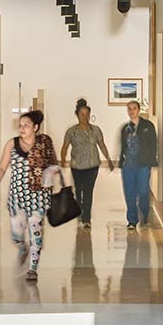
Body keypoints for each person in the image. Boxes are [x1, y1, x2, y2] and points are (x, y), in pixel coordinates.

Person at [0, 109, 57, 282]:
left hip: (38, 197)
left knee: (36, 234)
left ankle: (33, 269)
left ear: (35, 127)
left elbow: (54, 166)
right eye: (20, 125)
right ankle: (21, 246)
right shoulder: (12, 144)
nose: (22, 128)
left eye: (26, 125)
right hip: (17, 198)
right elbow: (2, 168)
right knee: (16, 234)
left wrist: (48, 176)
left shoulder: (44, 143)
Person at [60, 98, 113, 231]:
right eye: (82, 114)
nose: (85, 117)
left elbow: (102, 145)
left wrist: (109, 159)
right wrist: (62, 160)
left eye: (87, 114)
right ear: (77, 115)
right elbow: (65, 147)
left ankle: (87, 219)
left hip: (92, 166)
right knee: (79, 191)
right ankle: (80, 212)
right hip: (77, 166)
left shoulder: (95, 130)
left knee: (88, 191)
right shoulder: (71, 131)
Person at [118, 100, 158, 231]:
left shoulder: (148, 126)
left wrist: (151, 160)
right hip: (128, 165)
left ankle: (145, 215)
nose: (131, 111)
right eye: (129, 109)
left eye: (134, 108)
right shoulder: (125, 129)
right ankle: (132, 220)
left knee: (143, 191)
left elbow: (153, 144)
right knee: (129, 193)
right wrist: (120, 162)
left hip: (143, 165)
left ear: (139, 110)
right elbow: (123, 147)